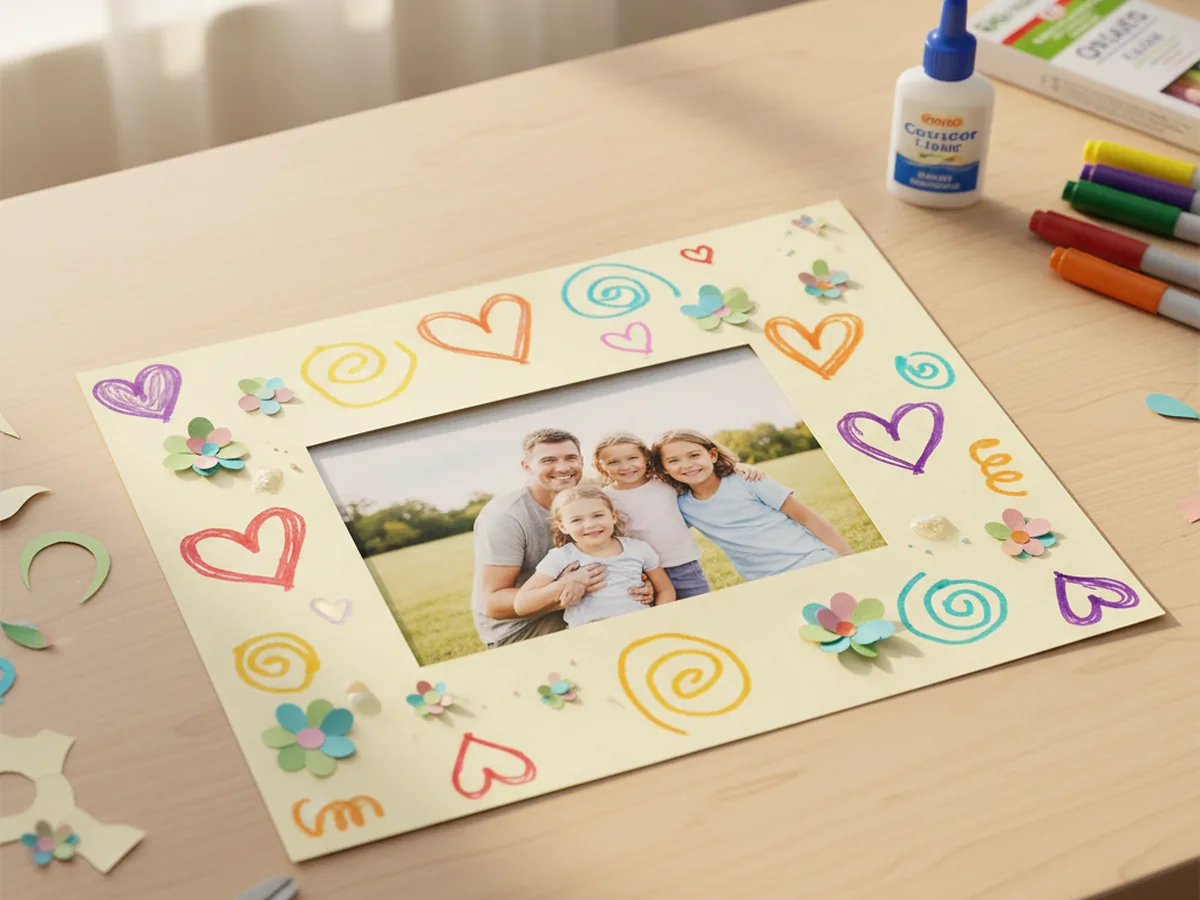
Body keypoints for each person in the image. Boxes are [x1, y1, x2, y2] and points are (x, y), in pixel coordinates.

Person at [471, 428, 652, 648]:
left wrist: (640, 584)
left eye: (570, 458)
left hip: (582, 606)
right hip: (526, 627)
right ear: (527, 467)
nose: (563, 468)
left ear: (581, 461)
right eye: (548, 460)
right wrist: (562, 588)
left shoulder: (586, 501)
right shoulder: (504, 517)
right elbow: (493, 604)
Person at [652, 428, 855, 582]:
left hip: (809, 561)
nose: (686, 465)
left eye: (694, 455)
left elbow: (807, 517)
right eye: (674, 460)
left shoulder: (748, 481)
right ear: (665, 469)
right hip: (763, 581)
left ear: (712, 455)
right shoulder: (682, 505)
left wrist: (849, 557)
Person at [592, 432, 764, 600]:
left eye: (632, 458)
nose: (625, 466)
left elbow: (701, 474)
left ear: (645, 457)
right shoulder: (604, 498)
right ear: (601, 467)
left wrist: (737, 467)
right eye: (614, 462)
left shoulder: (665, 482)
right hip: (641, 571)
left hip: (684, 565)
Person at [516, 485, 675, 627]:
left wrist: (657, 620)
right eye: (577, 520)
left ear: (613, 517)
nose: (590, 524)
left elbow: (665, 589)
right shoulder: (561, 557)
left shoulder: (638, 549)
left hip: (640, 627)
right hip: (589, 637)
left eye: (598, 515)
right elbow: (522, 604)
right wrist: (563, 585)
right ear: (563, 527)